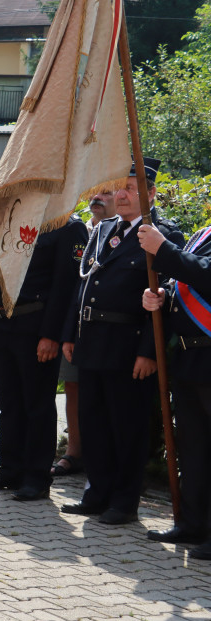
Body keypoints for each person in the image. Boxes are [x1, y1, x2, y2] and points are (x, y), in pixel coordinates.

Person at [60, 158, 183, 524]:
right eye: (119, 187)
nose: (122, 195)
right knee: (93, 422)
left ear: (151, 193)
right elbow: (83, 284)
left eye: (131, 188)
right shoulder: (104, 229)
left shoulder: (162, 234)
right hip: (93, 341)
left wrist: (150, 351)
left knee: (126, 426)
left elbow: (165, 300)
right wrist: (70, 333)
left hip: (129, 346)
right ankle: (96, 492)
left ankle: (124, 501)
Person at [0, 216, 88, 500]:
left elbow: (65, 286)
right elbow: (1, 268)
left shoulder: (67, 226)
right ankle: (9, 470)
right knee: (9, 404)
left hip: (36, 328)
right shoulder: (19, 214)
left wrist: (51, 335)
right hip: (5, 323)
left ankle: (36, 477)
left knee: (37, 406)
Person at [139, 216, 211, 559]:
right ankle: (192, 524)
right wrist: (164, 296)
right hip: (190, 356)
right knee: (193, 449)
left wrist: (163, 248)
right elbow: (189, 284)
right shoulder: (203, 234)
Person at [52, 189, 115, 477]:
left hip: (110, 331)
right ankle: (74, 452)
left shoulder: (125, 233)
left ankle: (105, 459)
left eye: (107, 192)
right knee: (74, 387)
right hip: (73, 325)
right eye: (95, 191)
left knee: (108, 394)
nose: (97, 197)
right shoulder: (79, 228)